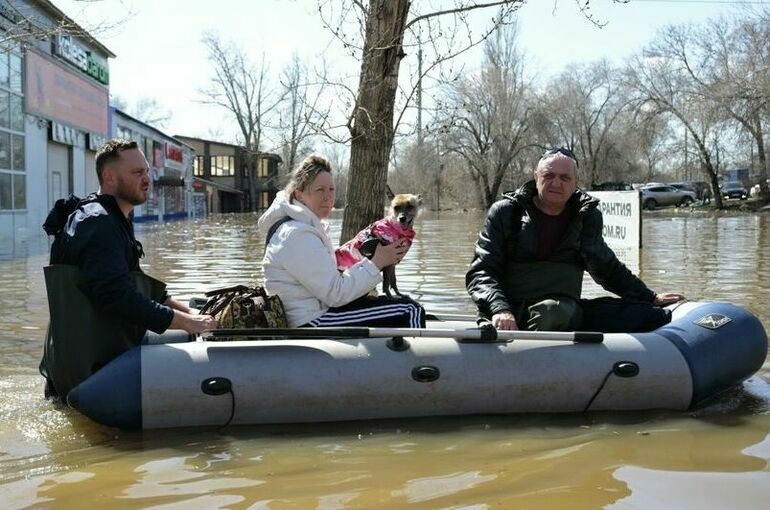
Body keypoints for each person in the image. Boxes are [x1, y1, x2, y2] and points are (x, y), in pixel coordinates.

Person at [40, 139, 217, 399]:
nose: (147, 179)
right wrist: (187, 323)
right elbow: (115, 295)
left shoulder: (112, 217)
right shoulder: (97, 224)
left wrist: (191, 313)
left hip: (98, 352)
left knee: (191, 338)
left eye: (147, 171)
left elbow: (138, 285)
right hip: (89, 369)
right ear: (110, 176)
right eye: (137, 173)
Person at [466, 147, 685, 332]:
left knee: (647, 315)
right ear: (536, 177)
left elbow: (606, 267)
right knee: (553, 312)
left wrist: (649, 297)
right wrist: (499, 309)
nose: (556, 183)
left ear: (575, 182)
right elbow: (481, 271)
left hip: (564, 309)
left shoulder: (586, 216)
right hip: (509, 312)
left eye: (564, 178)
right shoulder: (506, 212)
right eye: (549, 176)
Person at [257, 154, 426, 328]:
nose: (328, 197)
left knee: (398, 304)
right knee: (410, 309)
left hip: (318, 310)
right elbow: (335, 294)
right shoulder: (295, 235)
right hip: (310, 322)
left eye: (331, 189)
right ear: (299, 195)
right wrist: (377, 262)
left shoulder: (303, 228)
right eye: (320, 190)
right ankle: (418, 355)